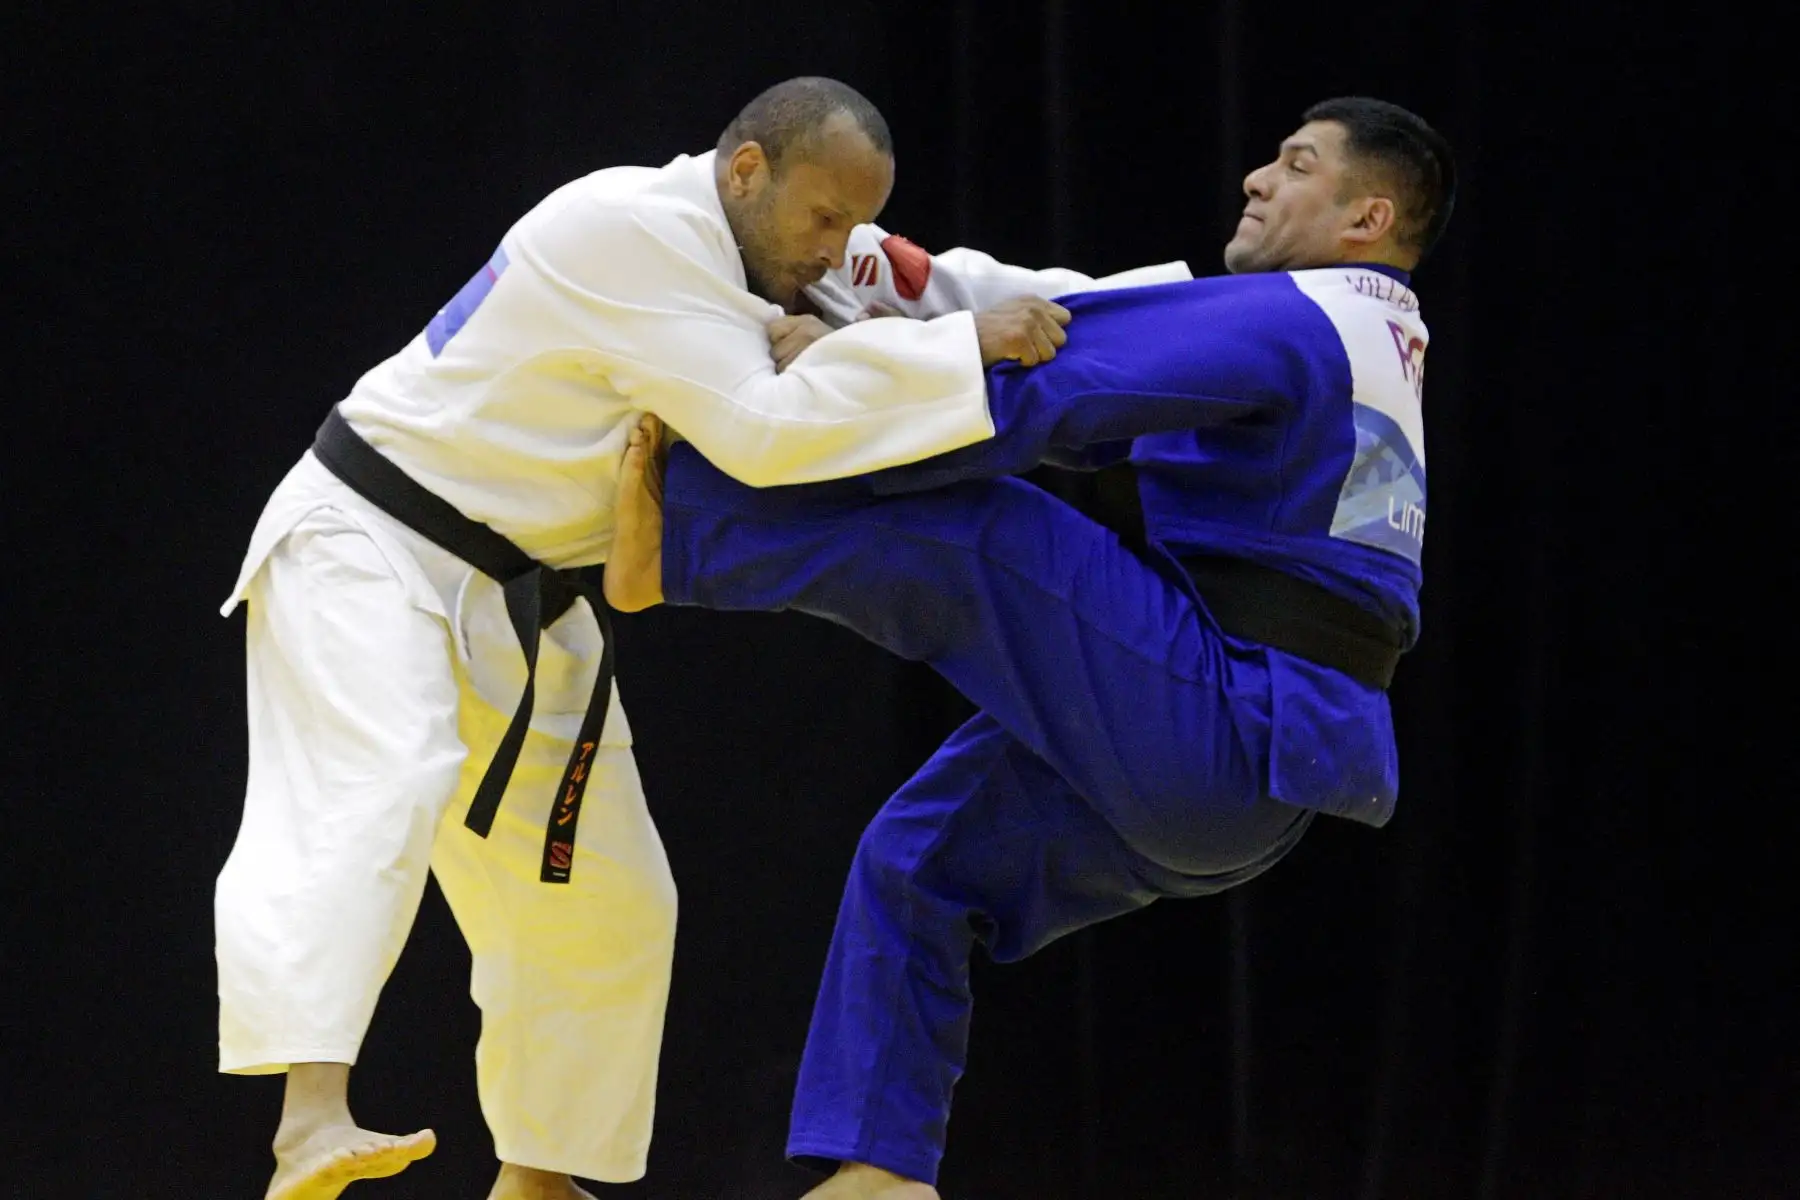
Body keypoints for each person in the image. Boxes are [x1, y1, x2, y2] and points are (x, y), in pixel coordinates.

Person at [213, 74, 1191, 1200]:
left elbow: (961, 284)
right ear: (746, 172)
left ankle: (539, 1179)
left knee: (610, 898)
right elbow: (767, 434)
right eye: (823, 220)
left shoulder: (799, 243)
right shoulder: (627, 226)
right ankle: (310, 1119)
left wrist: (1207, 313)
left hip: (527, 593)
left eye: (852, 225)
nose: (835, 254)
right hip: (373, 539)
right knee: (380, 780)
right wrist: (967, 350)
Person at [601, 96, 1457, 1200]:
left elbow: (1049, 381)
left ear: (1366, 218)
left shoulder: (1309, 314)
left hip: (1225, 717)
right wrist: (871, 321)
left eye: (1296, 166)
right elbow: (1071, 363)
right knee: (920, 859)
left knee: (985, 525)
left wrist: (833, 379)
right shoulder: (1373, 338)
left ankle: (684, 537)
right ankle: (882, 1173)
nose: (1255, 177)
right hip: (1251, 782)